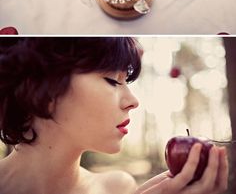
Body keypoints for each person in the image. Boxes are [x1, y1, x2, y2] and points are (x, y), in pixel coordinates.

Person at [0, 37, 228, 194]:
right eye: (112, 80)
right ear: (43, 86)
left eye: (125, 81)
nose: (133, 101)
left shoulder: (118, 188)